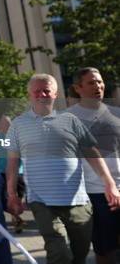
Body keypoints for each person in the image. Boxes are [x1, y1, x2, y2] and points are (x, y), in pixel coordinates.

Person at [6, 73, 120, 264]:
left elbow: (92, 154)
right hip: (42, 201)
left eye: (46, 90)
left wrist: (109, 183)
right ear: (29, 95)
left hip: (78, 201)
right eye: (37, 91)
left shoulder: (71, 120)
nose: (42, 94)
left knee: (79, 254)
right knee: (59, 252)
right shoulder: (18, 125)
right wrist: (11, 194)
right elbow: (12, 162)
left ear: (55, 94)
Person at [67, 67, 120, 264]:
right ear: (77, 88)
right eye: (91, 83)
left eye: (99, 81)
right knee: (105, 250)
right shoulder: (68, 118)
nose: (98, 86)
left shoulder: (116, 113)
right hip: (95, 192)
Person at [0, 115, 25, 233]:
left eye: (8, 123)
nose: (7, 125)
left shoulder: (17, 136)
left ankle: (16, 218)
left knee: (18, 197)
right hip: (2, 173)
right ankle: (16, 219)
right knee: (6, 198)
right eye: (4, 123)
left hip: (18, 173)